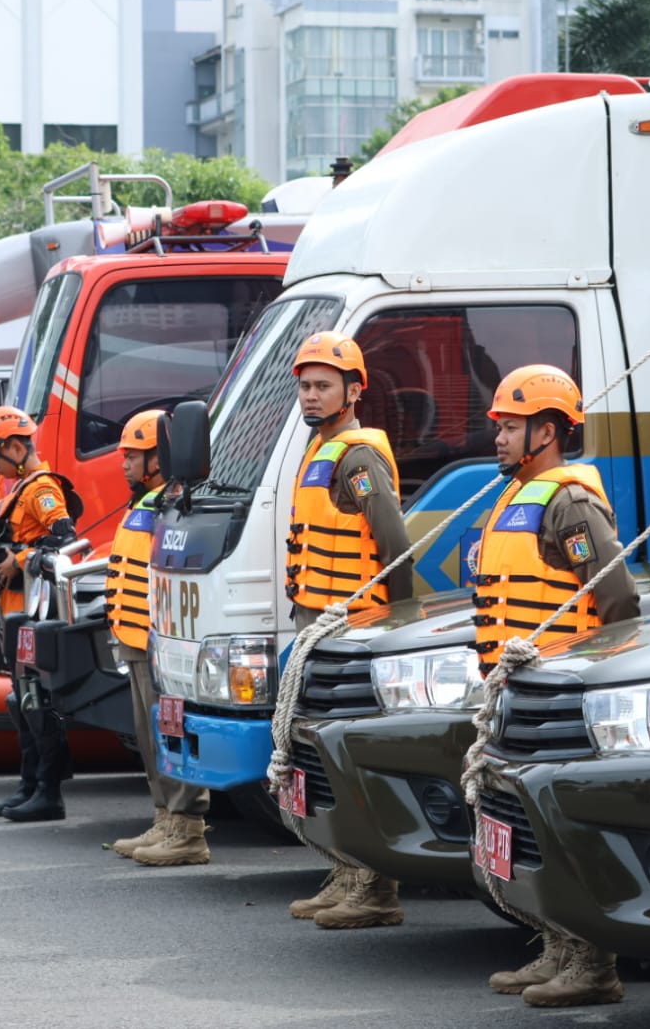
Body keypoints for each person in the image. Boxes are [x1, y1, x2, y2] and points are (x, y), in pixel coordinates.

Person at [476, 364, 640, 1008]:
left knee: (558, 827)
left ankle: (591, 962)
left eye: (510, 427)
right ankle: (557, 945)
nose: (499, 438)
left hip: (555, 695)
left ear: (547, 431)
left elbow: (617, 596)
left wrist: (593, 679)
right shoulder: (519, 494)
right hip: (515, 691)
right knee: (523, 826)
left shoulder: (568, 500)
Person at [282, 331, 414, 929]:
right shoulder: (320, 449)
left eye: (323, 386)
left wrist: (399, 627)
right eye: (305, 386)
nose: (310, 396)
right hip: (320, 627)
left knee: (350, 758)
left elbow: (394, 548)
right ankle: (347, 869)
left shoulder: (357, 457)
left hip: (353, 630)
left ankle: (374, 887)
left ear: (354, 391)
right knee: (320, 759)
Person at [105, 410, 213, 866]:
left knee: (171, 731)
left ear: (158, 457)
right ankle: (166, 816)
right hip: (132, 637)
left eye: (133, 455)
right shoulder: (144, 503)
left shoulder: (172, 502)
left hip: (157, 641)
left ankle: (188, 827)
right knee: (149, 736)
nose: (124, 464)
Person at [0, 406, 81, 823]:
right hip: (16, 612)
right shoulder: (19, 488)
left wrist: (18, 560)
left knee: (36, 700)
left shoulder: (41, 489)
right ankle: (29, 784)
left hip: (35, 612)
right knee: (22, 700)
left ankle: (48, 791)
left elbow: (66, 541)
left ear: (16, 447)